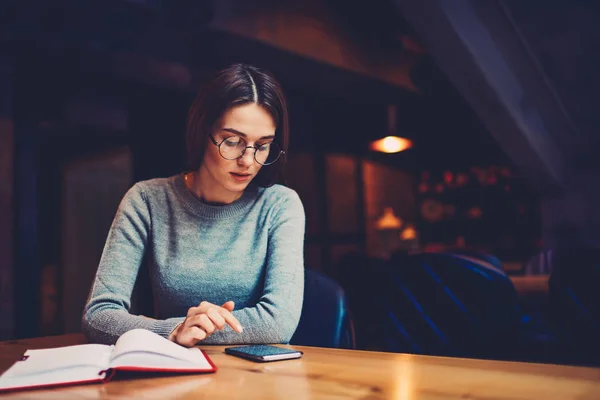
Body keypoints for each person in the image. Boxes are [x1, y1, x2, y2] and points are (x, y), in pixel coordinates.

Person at [82, 63, 306, 347]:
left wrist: (193, 331)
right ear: (202, 132)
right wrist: (174, 332)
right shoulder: (147, 201)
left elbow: (278, 323)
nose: (248, 161)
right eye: (233, 141)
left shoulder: (280, 205)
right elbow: (99, 316)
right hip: (175, 373)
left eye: (262, 146)